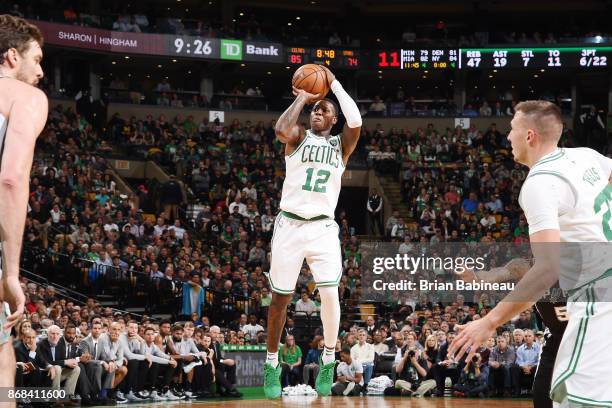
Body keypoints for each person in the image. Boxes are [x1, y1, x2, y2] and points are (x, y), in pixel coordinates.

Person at [450, 100, 612, 407]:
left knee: (575, 400)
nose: (507, 136)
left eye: (511, 129)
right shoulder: (586, 156)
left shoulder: (540, 183)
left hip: (599, 299)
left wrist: (489, 322)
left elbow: (546, 269)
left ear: (529, 136)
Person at [263, 65, 362, 398]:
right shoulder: (297, 137)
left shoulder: (341, 146)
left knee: (330, 294)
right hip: (289, 225)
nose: (318, 112)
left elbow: (357, 121)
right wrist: (303, 98)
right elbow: (280, 129)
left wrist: (333, 84)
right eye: (315, 110)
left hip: (322, 228)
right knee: (280, 299)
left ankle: (330, 358)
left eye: (325, 110)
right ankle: (272, 363)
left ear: (333, 120)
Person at [0, 15, 48, 396]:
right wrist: (11, 272)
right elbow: (12, 178)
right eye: (37, 59)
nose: (41, 71)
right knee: (2, 361)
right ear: (12, 57)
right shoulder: (25, 97)